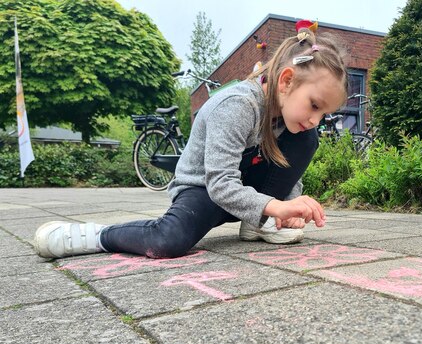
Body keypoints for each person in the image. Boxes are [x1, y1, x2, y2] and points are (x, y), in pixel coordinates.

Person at [34, 24, 348, 260]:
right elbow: (220, 184)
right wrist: (277, 206)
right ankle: (95, 235)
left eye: (324, 113)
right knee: (169, 240)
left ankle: (258, 223)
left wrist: (284, 209)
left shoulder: (294, 120)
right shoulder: (240, 106)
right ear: (287, 80)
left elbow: (285, 166)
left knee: (306, 138)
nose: (315, 119)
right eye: (315, 106)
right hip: (205, 189)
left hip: (245, 192)